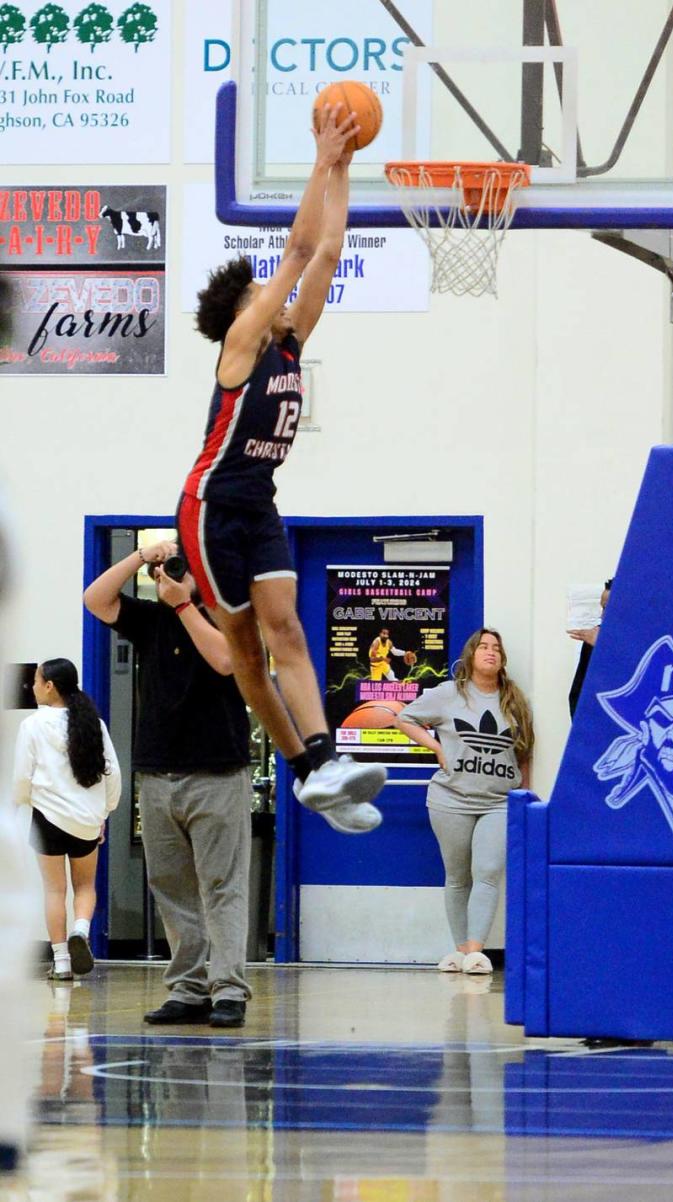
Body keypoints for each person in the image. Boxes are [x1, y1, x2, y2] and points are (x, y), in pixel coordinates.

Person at [175, 101, 385, 835]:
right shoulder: (240, 345)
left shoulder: (291, 345)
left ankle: (324, 763)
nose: (280, 300)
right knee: (245, 656)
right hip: (209, 509)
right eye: (264, 298)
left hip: (258, 505)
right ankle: (302, 771)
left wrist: (347, 169)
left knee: (288, 632)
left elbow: (325, 253)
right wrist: (322, 158)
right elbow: (296, 250)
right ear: (247, 311)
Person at [84, 539, 255, 1028]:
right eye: (173, 565)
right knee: (171, 887)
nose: (176, 572)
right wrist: (141, 558)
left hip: (218, 771)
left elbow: (225, 661)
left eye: (185, 566)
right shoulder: (150, 618)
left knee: (222, 886)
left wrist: (183, 603)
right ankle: (188, 988)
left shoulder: (231, 614)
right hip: (159, 773)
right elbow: (95, 599)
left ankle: (229, 991)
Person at [392, 629, 534, 975]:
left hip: (498, 802)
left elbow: (525, 751)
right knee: (457, 877)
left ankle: (475, 951)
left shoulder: (513, 699)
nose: (490, 652)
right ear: (470, 655)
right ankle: (459, 950)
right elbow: (404, 718)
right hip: (450, 799)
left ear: (502, 660)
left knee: (487, 873)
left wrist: (524, 794)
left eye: (496, 648)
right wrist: (437, 748)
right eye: (483, 647)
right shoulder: (448, 694)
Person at [11, 658, 121, 981]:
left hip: (47, 821)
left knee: (54, 891)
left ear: (50, 686)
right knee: (85, 885)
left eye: (35, 681)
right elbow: (112, 774)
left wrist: (18, 806)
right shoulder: (93, 723)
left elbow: (21, 778)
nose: (31, 687)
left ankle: (60, 962)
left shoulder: (32, 725)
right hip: (86, 820)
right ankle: (81, 931)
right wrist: (104, 813)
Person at [568, 578, 612, 718]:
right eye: (602, 608)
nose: (602, 615)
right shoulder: (593, 639)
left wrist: (605, 647)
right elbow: (577, 695)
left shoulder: (645, 643)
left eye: (606, 607)